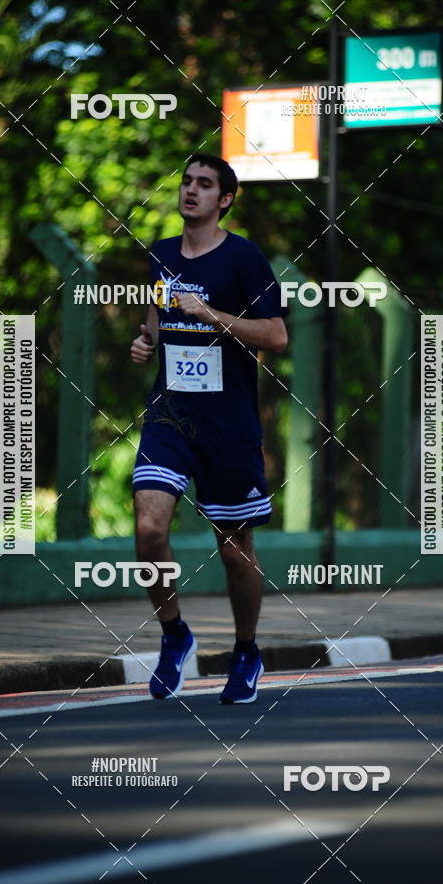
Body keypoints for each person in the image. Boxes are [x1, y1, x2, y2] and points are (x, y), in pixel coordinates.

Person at [130, 153, 288, 704]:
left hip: (228, 426)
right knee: (149, 527)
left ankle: (247, 650)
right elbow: (156, 320)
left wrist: (212, 315)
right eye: (186, 181)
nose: (191, 191)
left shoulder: (245, 260)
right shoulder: (161, 255)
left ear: (224, 200)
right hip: (170, 417)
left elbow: (276, 336)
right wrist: (146, 341)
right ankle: (174, 634)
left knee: (234, 547)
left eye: (204, 184)